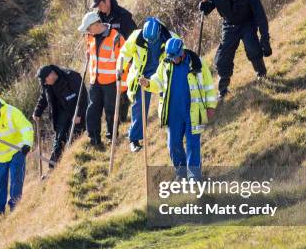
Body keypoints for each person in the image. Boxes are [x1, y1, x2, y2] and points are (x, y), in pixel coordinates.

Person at [139, 37, 217, 179]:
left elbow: (208, 85)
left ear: (181, 52)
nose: (173, 59)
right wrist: (148, 84)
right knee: (173, 144)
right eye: (171, 57)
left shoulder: (197, 63)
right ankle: (181, 172)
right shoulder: (165, 64)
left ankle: (194, 176)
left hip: (193, 111)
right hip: (173, 113)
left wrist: (211, 106)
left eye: (175, 57)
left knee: (193, 144)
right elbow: (157, 81)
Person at [198, 0, 272, 98]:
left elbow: (260, 15)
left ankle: (261, 74)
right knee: (223, 58)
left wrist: (265, 39)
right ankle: (223, 90)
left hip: (247, 23)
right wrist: (204, 6)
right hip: (229, 25)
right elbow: (208, 7)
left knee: (253, 48)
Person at [119, 17, 179, 152]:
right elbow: (124, 53)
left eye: (153, 40)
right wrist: (120, 67)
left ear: (159, 32)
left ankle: (173, 129)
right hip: (142, 75)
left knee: (169, 101)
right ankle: (134, 139)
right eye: (148, 40)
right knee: (139, 106)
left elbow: (182, 52)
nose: (150, 42)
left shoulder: (171, 38)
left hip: (163, 73)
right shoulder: (137, 36)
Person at [78, 11, 127, 146]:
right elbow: (90, 48)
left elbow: (125, 61)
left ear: (96, 25)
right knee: (92, 110)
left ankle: (112, 136)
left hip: (111, 82)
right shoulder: (90, 36)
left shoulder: (116, 37)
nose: (87, 31)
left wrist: (122, 85)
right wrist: (88, 52)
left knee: (111, 110)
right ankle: (94, 139)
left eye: (88, 28)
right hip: (95, 80)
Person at [92, 0, 137, 125]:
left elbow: (133, 36)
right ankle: (114, 122)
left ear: (107, 1)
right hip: (106, 63)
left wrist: (130, 59)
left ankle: (122, 116)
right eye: (97, 7)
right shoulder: (98, 18)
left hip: (124, 58)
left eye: (100, 5)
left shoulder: (123, 16)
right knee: (110, 94)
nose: (99, 8)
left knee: (124, 88)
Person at [33, 64, 87, 165]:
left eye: (45, 80)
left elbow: (83, 96)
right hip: (62, 111)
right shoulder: (46, 85)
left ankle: (78, 160)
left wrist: (79, 114)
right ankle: (53, 166)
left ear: (51, 75)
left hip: (77, 108)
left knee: (78, 134)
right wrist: (37, 111)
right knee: (59, 139)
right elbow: (43, 98)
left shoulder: (72, 77)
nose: (44, 83)